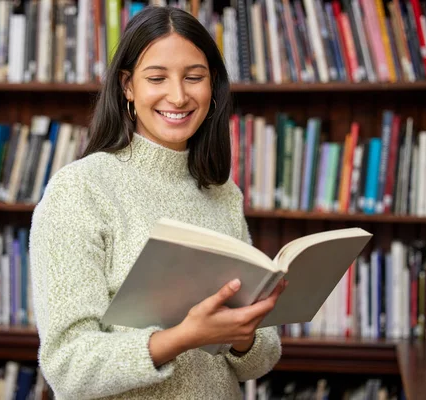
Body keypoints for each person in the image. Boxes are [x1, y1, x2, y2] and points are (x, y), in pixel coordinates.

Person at [29, 6, 287, 400]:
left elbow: (260, 358)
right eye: (157, 78)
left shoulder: (221, 193)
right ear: (128, 86)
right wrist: (182, 338)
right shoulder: (80, 189)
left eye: (194, 77)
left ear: (212, 85)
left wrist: (243, 336)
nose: (179, 95)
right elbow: (67, 365)